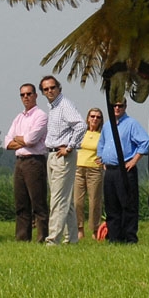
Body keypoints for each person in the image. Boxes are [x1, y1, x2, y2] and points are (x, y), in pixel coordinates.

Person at [40, 75, 85, 246]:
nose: (50, 91)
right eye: (46, 89)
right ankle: (72, 238)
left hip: (63, 156)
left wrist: (70, 146)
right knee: (64, 199)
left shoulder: (65, 105)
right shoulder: (53, 107)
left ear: (59, 88)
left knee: (57, 199)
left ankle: (53, 240)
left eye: (52, 87)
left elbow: (81, 125)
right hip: (52, 154)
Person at [97, 100, 149, 243]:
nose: (117, 108)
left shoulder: (131, 124)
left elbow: (145, 141)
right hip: (110, 171)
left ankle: (129, 238)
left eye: (120, 105)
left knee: (127, 205)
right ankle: (114, 238)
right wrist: (102, 159)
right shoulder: (107, 126)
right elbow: (101, 143)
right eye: (114, 105)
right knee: (111, 206)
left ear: (125, 107)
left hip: (125, 170)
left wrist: (134, 160)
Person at [5, 83, 49, 242]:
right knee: (21, 203)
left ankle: (42, 237)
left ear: (36, 95)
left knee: (38, 202)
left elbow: (31, 139)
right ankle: (22, 238)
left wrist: (19, 139)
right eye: (22, 94)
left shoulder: (41, 116)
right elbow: (7, 142)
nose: (26, 97)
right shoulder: (19, 117)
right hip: (20, 162)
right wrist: (23, 140)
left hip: (34, 162)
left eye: (29, 94)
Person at [74, 108, 104, 240]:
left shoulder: (102, 135)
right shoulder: (81, 133)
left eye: (98, 117)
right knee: (77, 201)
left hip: (94, 170)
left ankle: (95, 230)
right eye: (92, 116)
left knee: (94, 202)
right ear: (88, 118)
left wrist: (104, 159)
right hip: (79, 169)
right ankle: (79, 228)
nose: (95, 119)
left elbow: (108, 148)